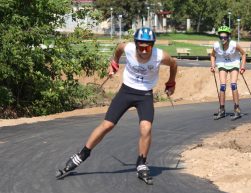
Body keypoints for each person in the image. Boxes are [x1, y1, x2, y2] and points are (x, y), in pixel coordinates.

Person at [56, 27, 177, 183]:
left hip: (145, 94)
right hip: (126, 91)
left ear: (152, 45)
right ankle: (83, 153)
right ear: (136, 44)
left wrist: (171, 82)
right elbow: (118, 48)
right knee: (107, 125)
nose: (145, 51)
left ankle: (141, 163)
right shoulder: (128, 48)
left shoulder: (160, 56)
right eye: (141, 47)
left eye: (148, 46)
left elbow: (174, 64)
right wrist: (114, 62)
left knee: (146, 128)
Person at [210, 25, 246, 120]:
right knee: (222, 86)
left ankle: (237, 109)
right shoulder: (216, 45)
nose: (223, 39)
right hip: (222, 63)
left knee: (233, 84)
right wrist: (213, 65)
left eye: (225, 37)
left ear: (228, 37)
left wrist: (242, 66)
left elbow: (243, 53)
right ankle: (222, 109)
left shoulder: (234, 44)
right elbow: (212, 55)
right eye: (221, 37)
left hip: (234, 63)